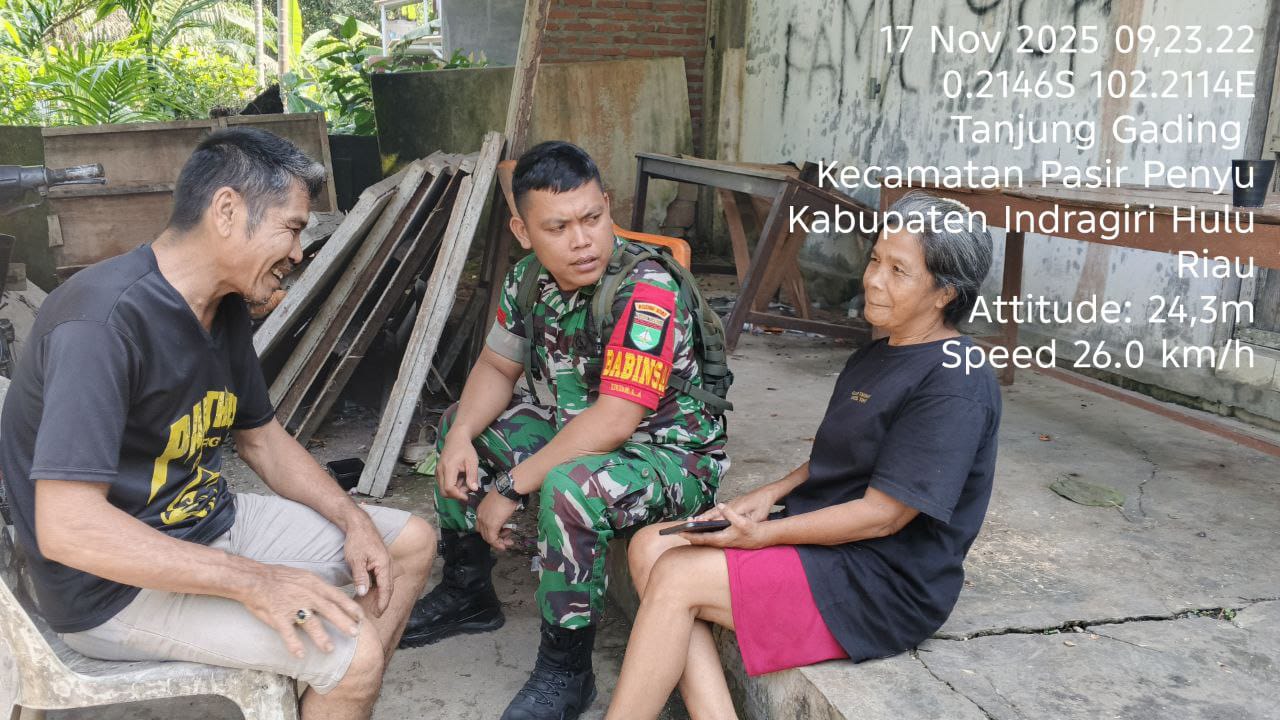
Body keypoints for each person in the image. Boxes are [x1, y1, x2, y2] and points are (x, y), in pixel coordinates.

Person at [0, 128, 436, 720]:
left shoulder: (222, 304)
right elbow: (69, 529)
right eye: (292, 228)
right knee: (351, 656)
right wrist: (254, 581)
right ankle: (340, 682)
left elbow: (262, 439)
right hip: (111, 586)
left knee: (407, 544)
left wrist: (351, 518)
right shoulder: (101, 324)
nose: (298, 253)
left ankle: (326, 697)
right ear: (227, 210)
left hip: (206, 523)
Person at [605, 191, 1002, 718]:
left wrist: (762, 535)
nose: (873, 280)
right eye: (876, 260)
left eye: (898, 271)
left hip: (884, 581)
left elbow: (884, 516)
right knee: (650, 546)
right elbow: (846, 453)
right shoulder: (878, 353)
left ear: (944, 293)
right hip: (833, 545)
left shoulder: (955, 380)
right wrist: (769, 494)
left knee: (678, 577)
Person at [398, 141, 730, 720]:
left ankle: (566, 671)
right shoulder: (529, 278)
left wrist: (510, 487)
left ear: (607, 206)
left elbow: (616, 420)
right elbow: (496, 366)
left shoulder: (645, 289)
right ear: (524, 232)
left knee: (571, 485)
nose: (582, 241)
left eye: (592, 218)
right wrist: (459, 438)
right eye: (558, 227)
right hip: (582, 434)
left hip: (671, 460)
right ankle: (467, 592)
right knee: (460, 427)